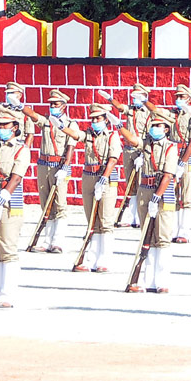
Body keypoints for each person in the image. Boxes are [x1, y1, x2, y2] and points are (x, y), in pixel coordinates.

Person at [118, 107, 179, 293]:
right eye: (153, 125)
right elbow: (132, 140)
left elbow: (168, 175)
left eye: (159, 126)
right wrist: (120, 126)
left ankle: (161, 280)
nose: (155, 129)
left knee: (162, 238)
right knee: (147, 236)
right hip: (145, 189)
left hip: (163, 192)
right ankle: (147, 279)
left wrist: (156, 197)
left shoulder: (171, 147)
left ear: (166, 128)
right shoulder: (146, 144)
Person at [19, 88, 82, 253]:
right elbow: (33, 116)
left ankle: (57, 241)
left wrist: (65, 167)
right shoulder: (46, 120)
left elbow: (70, 147)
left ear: (63, 106)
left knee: (60, 204)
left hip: (60, 166)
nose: (52, 106)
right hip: (43, 164)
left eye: (55, 104)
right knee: (45, 202)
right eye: (51, 104)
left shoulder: (70, 124)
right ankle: (46, 241)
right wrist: (20, 106)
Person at [0, 108, 31, 307]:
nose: (1, 129)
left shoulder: (21, 150)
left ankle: (7, 292)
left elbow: (16, 177)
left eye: (5, 125)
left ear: (15, 127)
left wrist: (2, 197)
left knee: (7, 245)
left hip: (8, 200)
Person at [76, 103, 123, 273]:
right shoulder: (88, 134)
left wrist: (103, 179)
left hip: (105, 177)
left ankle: (104, 258)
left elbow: (113, 159)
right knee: (92, 220)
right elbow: (75, 135)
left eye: (98, 118)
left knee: (105, 221)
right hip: (88, 175)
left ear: (105, 119)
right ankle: (91, 257)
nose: (95, 121)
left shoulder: (112, 136)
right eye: (93, 118)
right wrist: (61, 125)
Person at [101, 83, 154, 227]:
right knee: (130, 185)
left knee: (141, 183)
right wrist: (110, 99)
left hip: (141, 149)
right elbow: (119, 107)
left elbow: (151, 135)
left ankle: (140, 215)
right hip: (128, 150)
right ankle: (131, 216)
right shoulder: (131, 110)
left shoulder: (149, 113)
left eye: (137, 95)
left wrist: (144, 154)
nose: (134, 99)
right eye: (133, 95)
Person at [170, 85, 191, 245]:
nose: (179, 100)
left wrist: (182, 163)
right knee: (174, 196)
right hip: (172, 157)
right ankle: (175, 229)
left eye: (182, 97)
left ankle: (184, 231)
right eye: (177, 96)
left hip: (186, 158)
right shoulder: (173, 114)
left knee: (186, 196)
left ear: (189, 99)